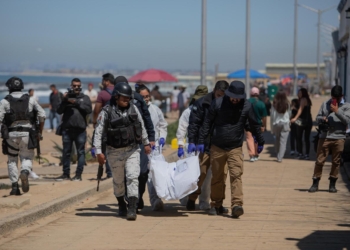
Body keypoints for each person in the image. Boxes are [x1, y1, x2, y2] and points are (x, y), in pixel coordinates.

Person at [196, 81, 265, 218]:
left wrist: (260, 140)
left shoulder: (246, 106)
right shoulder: (217, 103)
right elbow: (207, 123)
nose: (235, 100)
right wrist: (201, 141)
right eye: (233, 97)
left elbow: (254, 123)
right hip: (217, 146)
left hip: (235, 147)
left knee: (236, 175)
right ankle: (216, 204)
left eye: (237, 97)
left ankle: (237, 205)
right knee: (217, 177)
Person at [93, 82, 151, 221]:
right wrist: (98, 153)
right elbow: (98, 133)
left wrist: (146, 142)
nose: (127, 100)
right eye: (124, 98)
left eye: (129, 98)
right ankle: (121, 204)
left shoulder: (134, 109)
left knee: (132, 176)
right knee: (118, 181)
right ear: (116, 97)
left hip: (132, 149)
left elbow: (141, 125)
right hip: (114, 151)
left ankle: (132, 208)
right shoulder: (106, 112)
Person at [186, 80, 229, 212]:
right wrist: (193, 142)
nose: (220, 97)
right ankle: (192, 199)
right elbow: (194, 124)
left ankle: (218, 204)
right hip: (203, 144)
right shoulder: (201, 103)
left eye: (223, 95)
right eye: (218, 94)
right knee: (200, 174)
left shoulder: (228, 105)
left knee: (220, 176)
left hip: (221, 145)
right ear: (214, 90)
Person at [114, 76, 155, 212]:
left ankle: (138, 195)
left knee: (142, 172)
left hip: (139, 141)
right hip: (120, 143)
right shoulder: (111, 102)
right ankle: (131, 199)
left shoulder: (137, 98)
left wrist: (151, 138)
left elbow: (146, 118)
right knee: (126, 174)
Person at [0, 77, 46, 195]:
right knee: (26, 157)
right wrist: (40, 131)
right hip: (27, 133)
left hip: (11, 135)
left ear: (9, 87)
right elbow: (42, 114)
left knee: (12, 160)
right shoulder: (30, 100)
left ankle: (15, 188)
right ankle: (25, 171)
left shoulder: (5, 101)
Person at [308, 85, 350, 193]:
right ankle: (315, 182)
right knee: (319, 161)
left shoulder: (347, 106)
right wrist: (322, 118)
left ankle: (332, 183)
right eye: (333, 97)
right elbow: (317, 118)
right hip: (325, 136)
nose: (334, 99)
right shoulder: (325, 104)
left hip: (339, 137)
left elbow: (347, 121)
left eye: (337, 97)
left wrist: (337, 111)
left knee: (336, 162)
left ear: (342, 96)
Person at [176, 85, 210, 210]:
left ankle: (204, 202)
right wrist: (180, 145)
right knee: (189, 175)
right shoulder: (188, 111)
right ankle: (186, 198)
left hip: (206, 147)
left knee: (206, 175)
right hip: (191, 148)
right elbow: (182, 128)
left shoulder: (211, 110)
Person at [136, 85, 168, 211]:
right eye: (142, 97)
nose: (145, 99)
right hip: (139, 148)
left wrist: (162, 138)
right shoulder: (134, 109)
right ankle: (137, 198)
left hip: (154, 148)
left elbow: (162, 125)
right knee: (141, 175)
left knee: (154, 174)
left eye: (147, 96)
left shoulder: (155, 110)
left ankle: (155, 200)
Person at [55, 78, 92, 181]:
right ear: (71, 86)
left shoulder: (85, 98)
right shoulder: (66, 98)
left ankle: (78, 175)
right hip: (67, 130)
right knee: (66, 152)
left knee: (81, 152)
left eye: (78, 86)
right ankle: (65, 174)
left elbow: (89, 110)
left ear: (81, 87)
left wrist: (76, 103)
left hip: (80, 131)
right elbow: (58, 111)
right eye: (74, 86)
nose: (76, 87)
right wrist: (64, 100)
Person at [92, 73, 115, 178]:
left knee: (106, 147)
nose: (102, 83)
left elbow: (96, 110)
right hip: (119, 122)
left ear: (107, 81)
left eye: (103, 81)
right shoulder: (119, 91)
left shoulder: (102, 94)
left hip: (106, 124)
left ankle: (109, 173)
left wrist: (94, 122)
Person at [290, 88, 313, 160]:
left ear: (303, 93)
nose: (298, 94)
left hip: (302, 122)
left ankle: (300, 154)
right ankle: (307, 154)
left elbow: (300, 110)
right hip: (309, 121)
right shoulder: (308, 100)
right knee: (306, 138)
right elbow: (304, 110)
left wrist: (295, 118)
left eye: (299, 93)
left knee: (299, 138)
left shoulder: (303, 99)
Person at [246, 87, 267, 162]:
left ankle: (251, 155)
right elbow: (264, 117)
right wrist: (264, 126)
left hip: (247, 124)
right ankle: (256, 154)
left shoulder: (246, 102)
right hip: (258, 124)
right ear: (258, 94)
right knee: (257, 139)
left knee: (249, 139)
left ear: (251, 93)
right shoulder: (261, 103)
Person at [270, 91, 290, 163]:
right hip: (285, 124)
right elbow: (289, 115)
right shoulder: (287, 104)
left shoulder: (274, 104)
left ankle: (277, 153)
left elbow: (272, 116)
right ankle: (280, 157)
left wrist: (272, 128)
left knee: (277, 140)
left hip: (276, 123)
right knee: (283, 142)